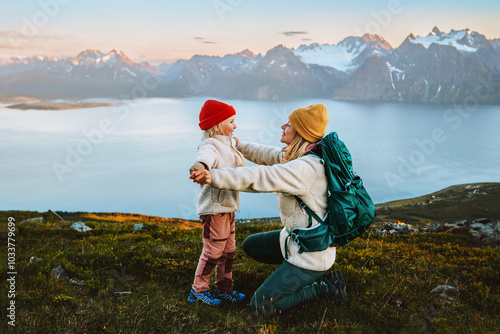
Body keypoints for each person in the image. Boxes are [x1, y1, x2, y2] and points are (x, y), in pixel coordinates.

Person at [190, 104, 348, 316]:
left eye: (290, 124)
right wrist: (238, 145)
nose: (283, 126)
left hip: (310, 254)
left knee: (261, 306)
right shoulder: (301, 155)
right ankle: (291, 275)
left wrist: (214, 176)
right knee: (251, 245)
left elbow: (262, 177)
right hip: (297, 240)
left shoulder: (303, 168)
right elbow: (269, 155)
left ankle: (324, 286)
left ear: (301, 132)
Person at [187, 99, 246, 306]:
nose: (235, 125)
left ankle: (223, 289)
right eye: (231, 121)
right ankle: (198, 290)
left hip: (228, 209)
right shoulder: (211, 144)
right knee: (213, 252)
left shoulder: (226, 141)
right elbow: (205, 156)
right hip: (214, 210)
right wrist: (199, 166)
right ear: (218, 124)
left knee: (228, 252)